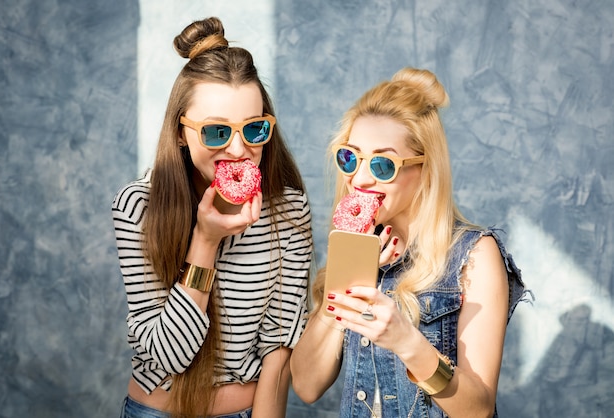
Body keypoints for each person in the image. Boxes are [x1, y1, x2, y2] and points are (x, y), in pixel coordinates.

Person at [290, 67, 526, 417]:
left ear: (425, 168)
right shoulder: (360, 246)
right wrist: (348, 278)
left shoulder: (475, 255)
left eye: (383, 164)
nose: (361, 178)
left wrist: (408, 342)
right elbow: (307, 386)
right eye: (350, 158)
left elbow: (477, 408)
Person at [112, 17, 313, 418]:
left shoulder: (289, 211)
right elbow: (168, 357)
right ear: (181, 134)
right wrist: (204, 242)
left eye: (254, 129)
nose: (239, 150)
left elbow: (279, 347)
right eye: (217, 133)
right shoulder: (137, 205)